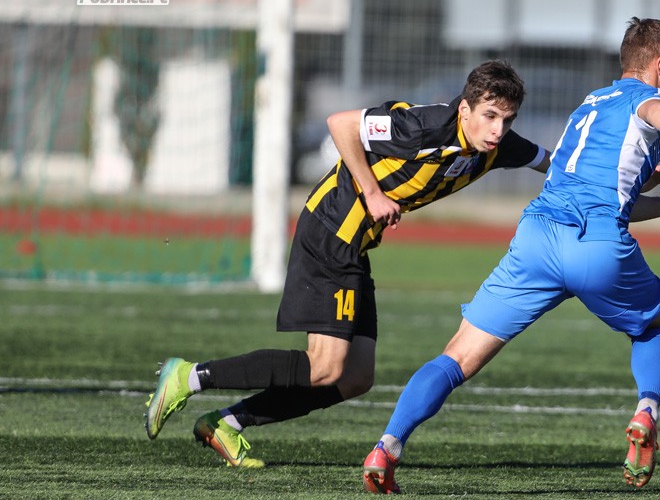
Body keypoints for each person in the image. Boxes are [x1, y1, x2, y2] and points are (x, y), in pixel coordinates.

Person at [362, 17, 660, 494]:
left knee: (458, 355)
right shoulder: (650, 100)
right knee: (650, 328)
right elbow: (654, 108)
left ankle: (387, 446)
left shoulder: (590, 104)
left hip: (536, 238)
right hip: (596, 244)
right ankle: (646, 410)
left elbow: (611, 196)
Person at [143, 60, 555, 467]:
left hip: (355, 244)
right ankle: (189, 376)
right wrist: (373, 194)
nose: (498, 129)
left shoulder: (497, 146)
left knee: (355, 377)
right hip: (330, 230)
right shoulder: (423, 127)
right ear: (465, 109)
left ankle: (226, 423)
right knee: (324, 367)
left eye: (507, 119)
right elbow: (341, 124)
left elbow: (555, 163)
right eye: (490, 116)